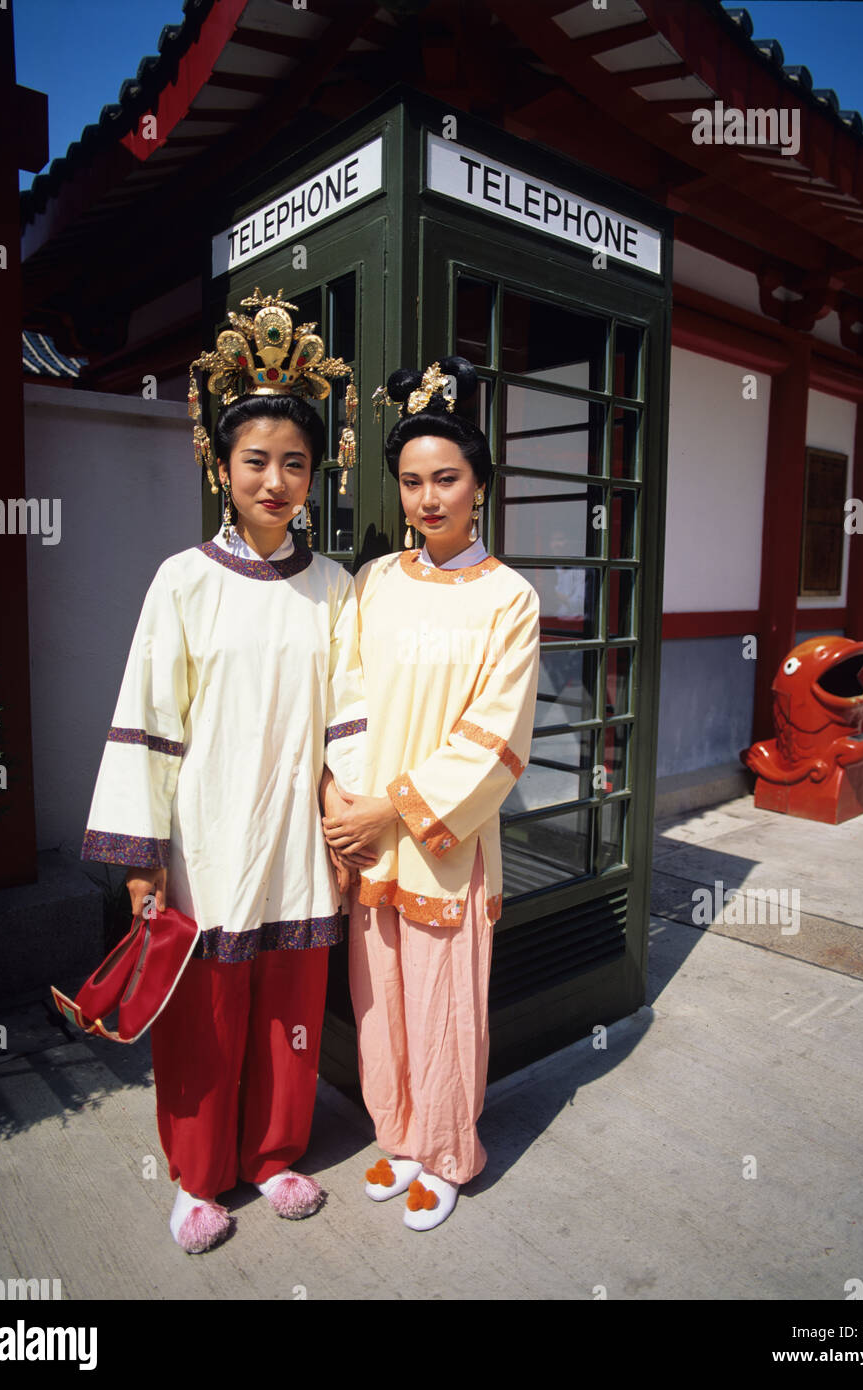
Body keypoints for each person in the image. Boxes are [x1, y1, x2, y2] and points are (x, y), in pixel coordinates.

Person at [81, 289, 366, 1253]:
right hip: (205, 839)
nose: (277, 480)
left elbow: (349, 719)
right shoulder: (184, 580)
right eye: (257, 461)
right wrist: (141, 854)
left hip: (294, 838)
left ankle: (276, 1153)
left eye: (295, 462)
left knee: (290, 1005)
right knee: (202, 1015)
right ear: (221, 465)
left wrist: (350, 823)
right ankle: (198, 1179)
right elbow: (147, 720)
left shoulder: (334, 588)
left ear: (315, 472)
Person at [322, 357, 540, 1231]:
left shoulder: (509, 600)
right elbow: (347, 695)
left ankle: (450, 1152)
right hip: (370, 834)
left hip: (445, 840)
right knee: (379, 999)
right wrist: (347, 800)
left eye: (445, 478)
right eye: (411, 481)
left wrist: (393, 805)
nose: (426, 498)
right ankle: (401, 1138)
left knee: (447, 1004)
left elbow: (495, 737)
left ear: (479, 485)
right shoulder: (375, 581)